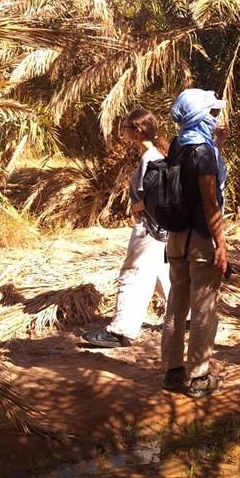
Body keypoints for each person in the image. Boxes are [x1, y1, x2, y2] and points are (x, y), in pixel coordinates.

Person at [82, 109, 171, 348]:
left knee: (133, 275)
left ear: (138, 131)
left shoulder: (151, 158)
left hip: (149, 228)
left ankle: (121, 331)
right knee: (161, 273)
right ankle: (188, 317)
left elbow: (154, 195)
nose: (122, 131)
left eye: (126, 127)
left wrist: (138, 207)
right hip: (158, 229)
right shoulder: (156, 154)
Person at [160, 88, 228, 398]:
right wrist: (221, 244)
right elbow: (210, 202)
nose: (215, 118)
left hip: (176, 238)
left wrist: (218, 146)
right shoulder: (204, 152)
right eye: (211, 113)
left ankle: (172, 372)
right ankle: (200, 377)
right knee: (203, 308)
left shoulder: (178, 145)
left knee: (176, 304)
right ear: (200, 116)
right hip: (201, 240)